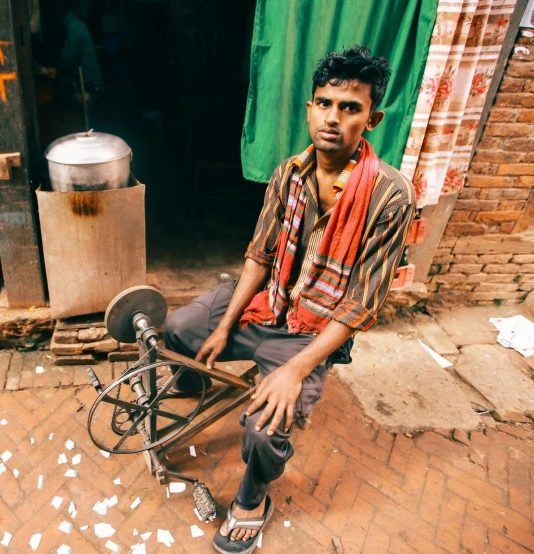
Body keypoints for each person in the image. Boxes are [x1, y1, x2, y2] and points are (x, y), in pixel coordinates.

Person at [162, 45, 416, 554]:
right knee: (178, 328)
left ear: (372, 118)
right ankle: (195, 383)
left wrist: (294, 370)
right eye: (325, 103)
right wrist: (222, 324)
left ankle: (253, 500)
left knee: (263, 430)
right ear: (309, 108)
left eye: (350, 108)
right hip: (268, 301)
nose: (333, 118)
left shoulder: (392, 196)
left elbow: (361, 304)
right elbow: (259, 255)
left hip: (314, 328)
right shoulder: (287, 174)